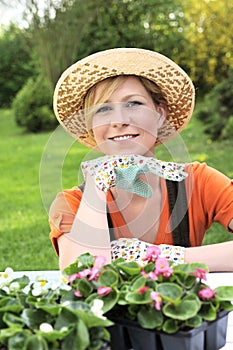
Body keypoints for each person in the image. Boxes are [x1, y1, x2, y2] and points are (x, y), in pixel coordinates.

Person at [49, 48, 233, 272]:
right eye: (104, 109)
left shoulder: (199, 182)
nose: (119, 120)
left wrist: (158, 256)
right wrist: (97, 184)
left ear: (160, 114)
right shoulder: (72, 204)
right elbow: (80, 273)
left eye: (133, 103)